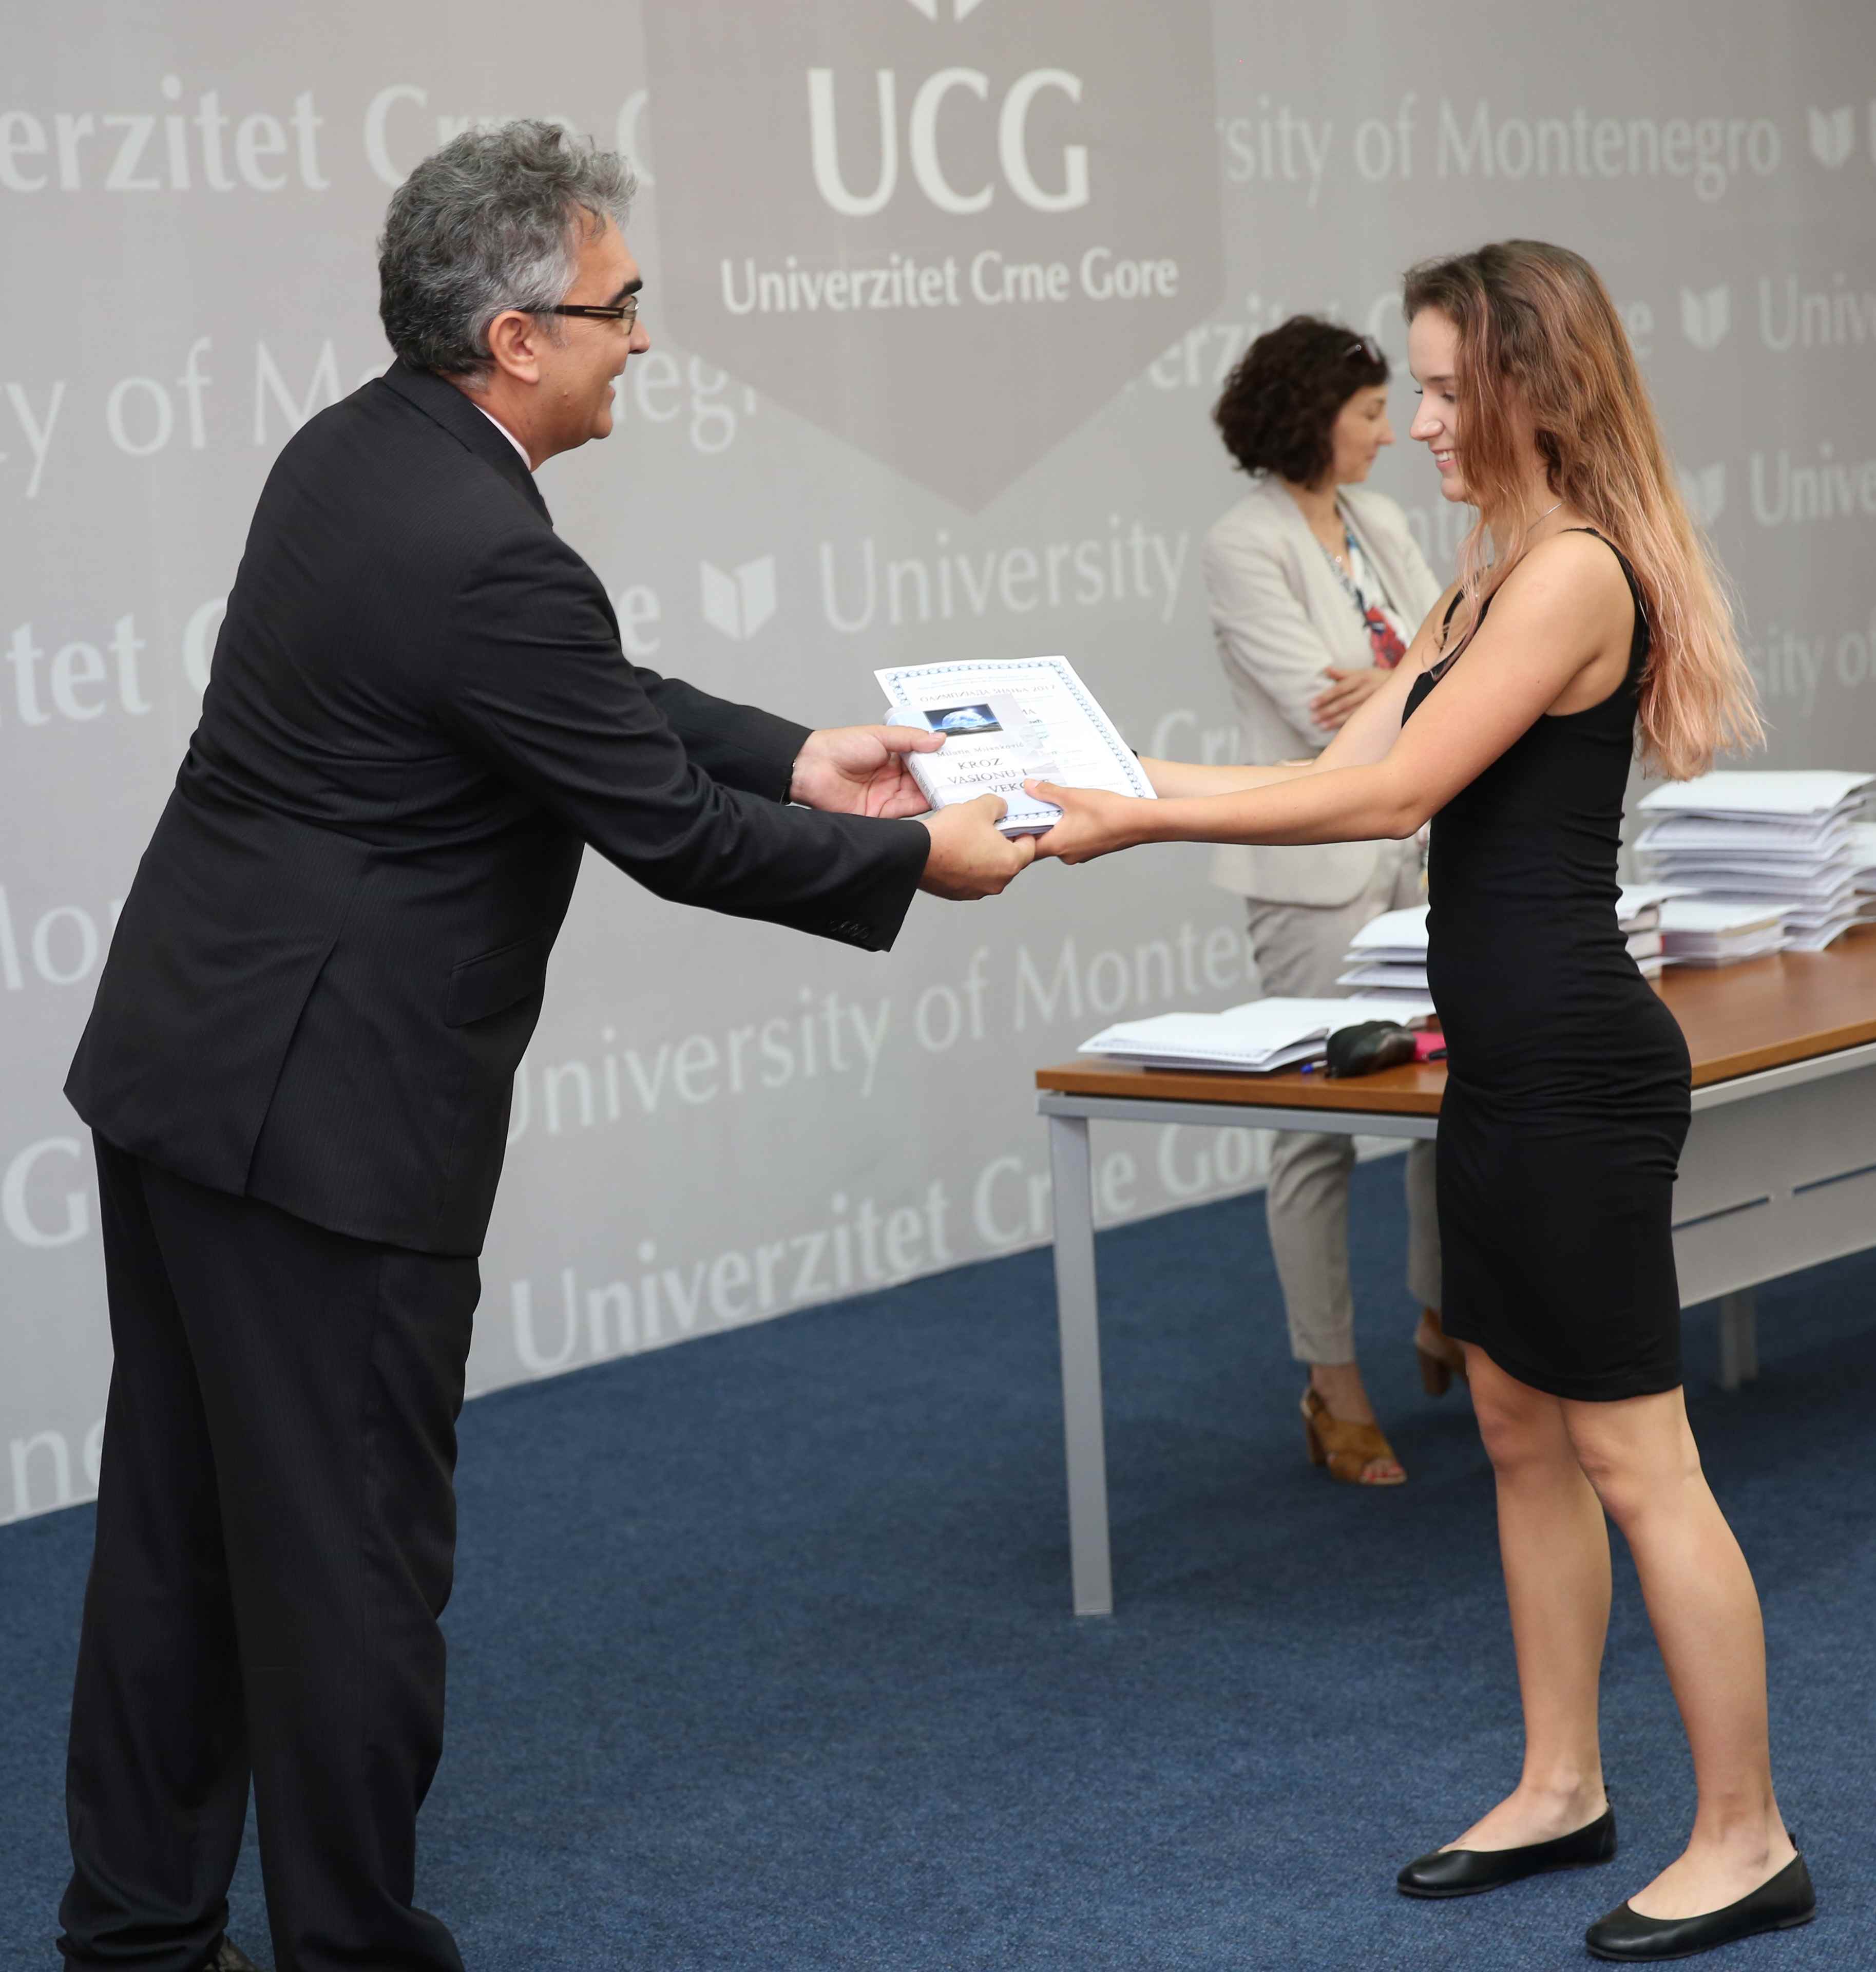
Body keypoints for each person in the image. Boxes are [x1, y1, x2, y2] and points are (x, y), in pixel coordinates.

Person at [56, 122, 1030, 1972]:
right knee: (349, 1558)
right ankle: (351, 1949)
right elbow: (665, 830)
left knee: (179, 1532)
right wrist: (916, 858)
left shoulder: (358, 452)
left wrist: (792, 752)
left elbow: (579, 700)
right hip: (325, 1129)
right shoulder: (482, 547)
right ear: (516, 339)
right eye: (619, 305)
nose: (641, 338)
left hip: (188, 1070)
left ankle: (137, 1940)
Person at [1025, 240, 1813, 1962]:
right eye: (1421, 390)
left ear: (1533, 387)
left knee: (1635, 1457)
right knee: (1520, 1432)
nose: (1423, 422)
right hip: (1503, 1068)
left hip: (1580, 1070)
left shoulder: (1573, 576)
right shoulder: (1478, 583)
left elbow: (1388, 794)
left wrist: (1136, 819)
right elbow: (1325, 766)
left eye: (1449, 390)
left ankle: (1747, 1837)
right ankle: (1558, 1785)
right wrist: (1081, 772)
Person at [1202, 316, 1454, 1488]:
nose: (1392, 435)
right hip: (1311, 871)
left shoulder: (1382, 521)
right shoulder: (1241, 542)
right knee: (1316, 1130)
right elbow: (1323, 709)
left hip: (1422, 851)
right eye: (1369, 414)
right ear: (1312, 416)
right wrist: (1415, 675)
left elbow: (1464, 657)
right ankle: (1333, 1386)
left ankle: (1447, 1312)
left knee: (1454, 1094)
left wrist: (1400, 677)